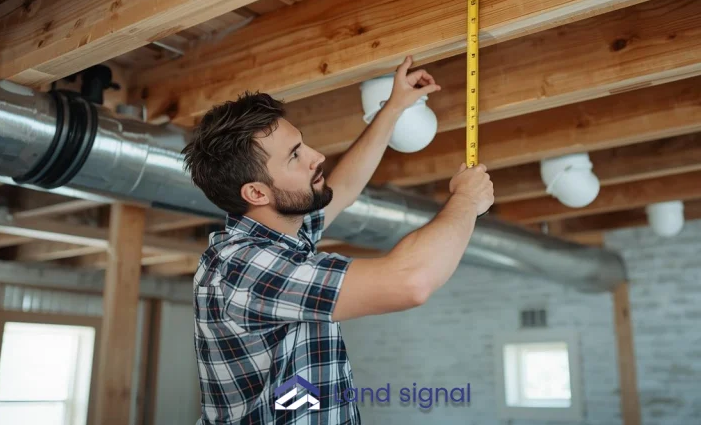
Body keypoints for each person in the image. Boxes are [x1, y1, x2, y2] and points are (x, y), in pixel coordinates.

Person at [183, 57, 494, 424]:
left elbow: (341, 188)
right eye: (295, 155)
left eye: (303, 144)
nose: (317, 156)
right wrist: (466, 201)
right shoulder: (244, 267)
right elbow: (410, 281)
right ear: (256, 192)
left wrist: (392, 108)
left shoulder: (280, 238)